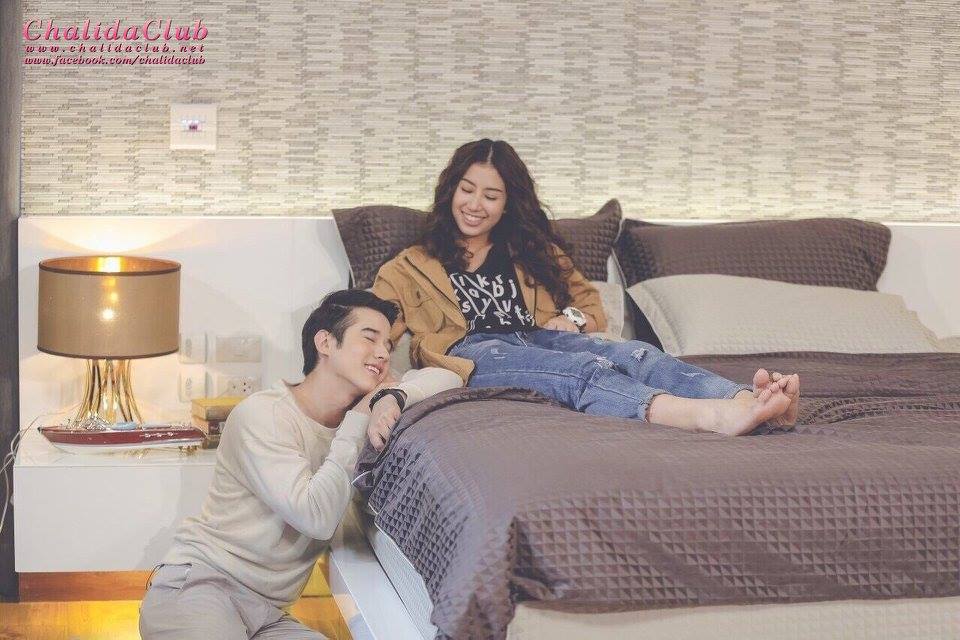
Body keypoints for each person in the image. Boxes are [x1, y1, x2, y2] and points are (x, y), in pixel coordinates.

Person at [372, 139, 800, 436]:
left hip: (538, 337)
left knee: (635, 353)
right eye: (467, 190)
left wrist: (571, 320)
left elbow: (589, 305)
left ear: (507, 205)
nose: (474, 205)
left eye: (491, 196)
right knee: (581, 371)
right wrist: (379, 384)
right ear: (450, 191)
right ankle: (710, 417)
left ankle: (749, 400)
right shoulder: (408, 266)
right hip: (474, 350)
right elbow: (374, 328)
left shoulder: (533, 251)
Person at [139, 289, 462, 639]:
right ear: (325, 342)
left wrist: (392, 395)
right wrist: (359, 418)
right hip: (201, 588)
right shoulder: (264, 414)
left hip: (267, 616)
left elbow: (449, 378)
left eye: (389, 344)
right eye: (369, 338)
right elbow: (315, 517)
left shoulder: (371, 407)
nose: (384, 353)